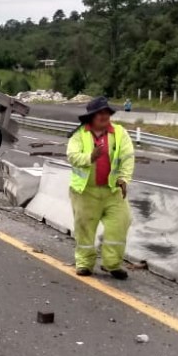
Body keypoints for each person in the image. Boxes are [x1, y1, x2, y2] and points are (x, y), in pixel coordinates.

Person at [66, 96, 134, 280]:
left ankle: (112, 264)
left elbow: (127, 157)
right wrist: (90, 157)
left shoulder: (119, 133)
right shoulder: (79, 134)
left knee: (120, 223)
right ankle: (84, 264)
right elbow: (72, 156)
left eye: (107, 113)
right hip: (86, 192)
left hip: (112, 191)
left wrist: (124, 179)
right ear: (91, 117)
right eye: (100, 113)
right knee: (85, 229)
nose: (105, 116)